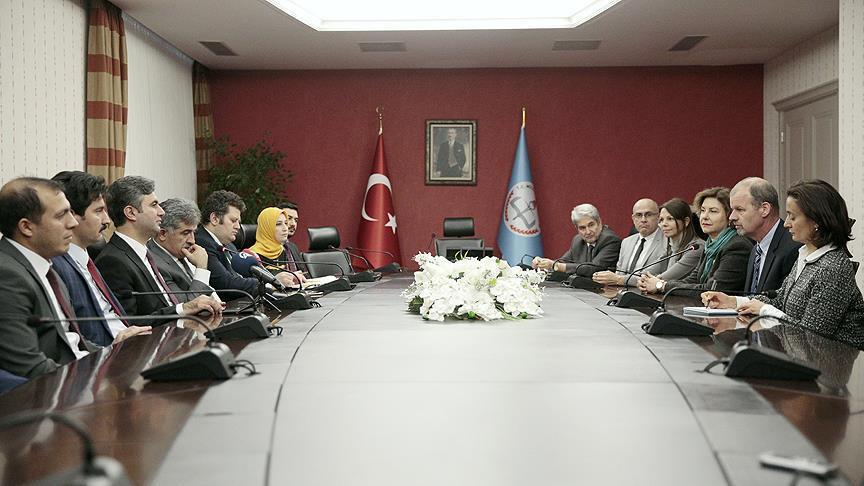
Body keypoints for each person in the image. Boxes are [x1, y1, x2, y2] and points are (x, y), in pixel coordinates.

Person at [0, 178, 145, 379]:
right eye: (61, 215)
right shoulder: (7, 276)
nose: (73, 223)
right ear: (26, 227)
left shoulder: (46, 268)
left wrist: (113, 351)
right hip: (53, 390)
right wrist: (105, 369)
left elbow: (71, 344)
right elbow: (29, 367)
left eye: (71, 212)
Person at [703, 180, 864, 349]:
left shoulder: (832, 268)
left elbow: (812, 336)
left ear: (816, 221)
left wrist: (764, 310)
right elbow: (780, 300)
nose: (786, 223)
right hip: (798, 357)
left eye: (792, 217)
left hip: (828, 363)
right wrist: (733, 301)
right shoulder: (806, 255)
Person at [96, 176, 222, 321]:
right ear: (131, 213)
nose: (161, 211)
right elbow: (129, 324)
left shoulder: (144, 253)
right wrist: (183, 309)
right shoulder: (113, 260)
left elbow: (162, 306)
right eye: (154, 205)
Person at [50, 171, 151, 346]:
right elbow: (72, 338)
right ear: (71, 215)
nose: (107, 221)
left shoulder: (88, 260)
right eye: (98, 211)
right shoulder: (56, 266)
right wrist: (113, 348)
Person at [196, 190, 299, 297]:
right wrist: (270, 283)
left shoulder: (229, 245)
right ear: (214, 219)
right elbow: (226, 283)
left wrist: (274, 281)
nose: (238, 227)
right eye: (233, 221)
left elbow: (248, 277)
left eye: (239, 222)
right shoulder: (202, 243)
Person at [656, 187, 752, 292]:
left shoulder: (737, 246)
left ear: (729, 216)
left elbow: (711, 290)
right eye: (702, 210)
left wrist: (662, 286)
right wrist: (664, 285)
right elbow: (693, 280)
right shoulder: (710, 245)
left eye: (713, 211)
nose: (705, 216)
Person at [729, 177, 800, 294]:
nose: (732, 217)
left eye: (739, 209)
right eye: (732, 210)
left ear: (765, 209)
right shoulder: (756, 250)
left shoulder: (793, 248)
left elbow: (782, 301)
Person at [147, 198, 215, 302]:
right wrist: (202, 268)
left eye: (194, 232)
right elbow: (189, 306)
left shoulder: (185, 254)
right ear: (162, 234)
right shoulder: (154, 263)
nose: (192, 240)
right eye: (186, 233)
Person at [592, 198, 667, 286]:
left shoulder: (666, 241)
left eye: (648, 215)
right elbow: (619, 273)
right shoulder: (626, 242)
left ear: (658, 217)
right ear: (633, 218)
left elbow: (652, 276)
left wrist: (618, 279)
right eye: (638, 215)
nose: (643, 219)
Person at [532, 203, 621, 277]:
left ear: (599, 222)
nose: (588, 232)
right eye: (582, 228)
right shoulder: (578, 240)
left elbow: (593, 269)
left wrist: (554, 265)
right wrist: (543, 263)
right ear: (577, 228)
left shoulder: (610, 240)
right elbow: (563, 261)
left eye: (591, 225)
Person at [638, 198, 705, 293]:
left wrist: (648, 281)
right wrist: (642, 279)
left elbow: (665, 278)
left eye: (670, 219)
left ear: (686, 221)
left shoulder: (696, 248)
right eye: (661, 220)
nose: (664, 224)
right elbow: (648, 272)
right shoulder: (670, 247)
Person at [247, 207, 305, 283]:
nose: (285, 228)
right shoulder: (250, 256)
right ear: (267, 228)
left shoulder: (284, 250)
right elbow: (254, 285)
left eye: (286, 223)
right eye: (278, 224)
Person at [278, 201, 306, 273]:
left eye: (296, 220)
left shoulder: (293, 247)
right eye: (289, 218)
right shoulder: (268, 249)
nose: (293, 224)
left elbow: (304, 273)